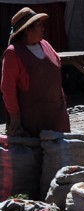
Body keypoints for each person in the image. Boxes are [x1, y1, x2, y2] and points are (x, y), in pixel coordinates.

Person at [1, 6, 69, 137]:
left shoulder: (46, 45)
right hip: (32, 121)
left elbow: (56, 74)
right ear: (27, 29)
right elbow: (7, 89)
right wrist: (15, 117)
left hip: (57, 117)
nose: (43, 28)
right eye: (39, 25)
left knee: (60, 155)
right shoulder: (13, 53)